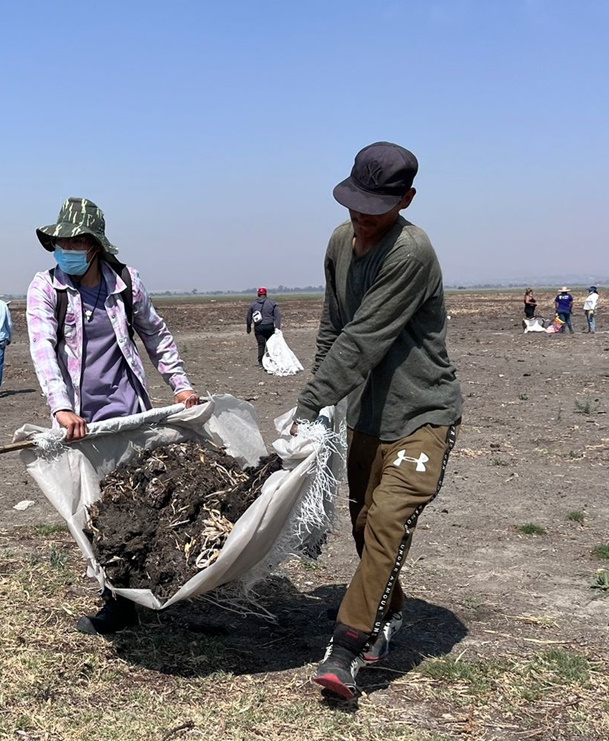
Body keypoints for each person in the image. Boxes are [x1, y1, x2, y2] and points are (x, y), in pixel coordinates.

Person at [290, 142, 462, 699]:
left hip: (421, 415)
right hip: (366, 415)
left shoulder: (410, 252)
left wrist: (309, 401)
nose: (360, 218)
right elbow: (333, 328)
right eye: (353, 203)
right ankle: (388, 610)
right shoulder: (341, 243)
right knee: (366, 526)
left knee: (388, 520)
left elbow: (363, 339)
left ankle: (346, 648)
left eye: (374, 207)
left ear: (406, 199)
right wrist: (320, 408)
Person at [26, 196, 201, 635]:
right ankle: (117, 602)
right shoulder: (45, 288)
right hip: (80, 424)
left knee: (137, 503)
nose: (65, 249)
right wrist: (61, 407)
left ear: (95, 245)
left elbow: (155, 335)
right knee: (92, 513)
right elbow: (43, 348)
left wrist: (180, 385)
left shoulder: (126, 283)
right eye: (59, 241)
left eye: (75, 241)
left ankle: (150, 589)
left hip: (129, 416)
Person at [246, 287, 281, 366]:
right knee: (270, 344)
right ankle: (269, 360)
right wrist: (277, 327)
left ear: (258, 294)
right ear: (266, 294)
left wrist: (248, 328)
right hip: (269, 326)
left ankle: (261, 362)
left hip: (259, 327)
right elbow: (277, 315)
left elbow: (248, 317)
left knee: (261, 344)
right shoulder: (272, 303)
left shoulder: (253, 304)